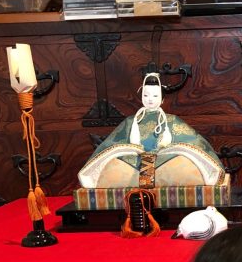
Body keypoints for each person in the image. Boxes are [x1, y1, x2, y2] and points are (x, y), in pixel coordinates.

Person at [78, 73, 226, 188]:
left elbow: (194, 141)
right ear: (141, 96)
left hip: (166, 159)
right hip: (132, 160)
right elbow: (110, 144)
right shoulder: (131, 121)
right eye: (146, 95)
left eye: (155, 95)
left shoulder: (172, 120)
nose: (150, 99)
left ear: (162, 99)